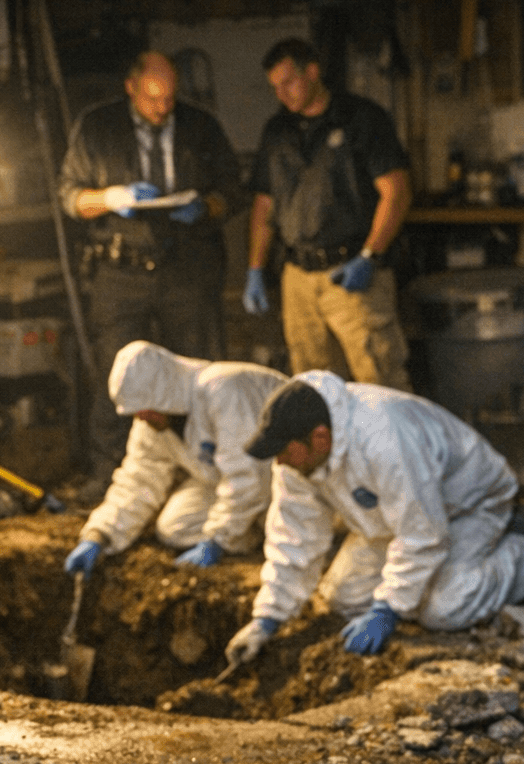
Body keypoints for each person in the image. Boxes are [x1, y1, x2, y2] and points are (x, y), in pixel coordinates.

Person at [222, 373, 524, 668]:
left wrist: (388, 609)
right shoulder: (295, 460)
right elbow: (293, 537)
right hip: (396, 519)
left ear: (319, 438)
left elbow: (424, 535)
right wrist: (265, 620)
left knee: (444, 609)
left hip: (468, 504)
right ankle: (421, 587)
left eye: (284, 451)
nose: (279, 462)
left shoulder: (384, 437)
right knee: (343, 599)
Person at [58, 50, 245, 504]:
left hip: (188, 267)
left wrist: (204, 207)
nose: (162, 108)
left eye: (169, 99)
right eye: (152, 98)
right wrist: (108, 196)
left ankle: (202, 474)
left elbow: (233, 191)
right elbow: (70, 197)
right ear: (131, 87)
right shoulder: (98, 127)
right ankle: (109, 476)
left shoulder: (201, 127)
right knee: (116, 373)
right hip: (121, 270)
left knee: (199, 368)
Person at [240, 38, 413, 391]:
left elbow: (396, 192)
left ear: (313, 72)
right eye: (275, 87)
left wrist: (370, 255)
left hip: (352, 276)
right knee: (314, 392)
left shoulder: (362, 119)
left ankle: (392, 448)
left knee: (380, 384)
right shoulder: (277, 131)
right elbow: (264, 204)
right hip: (298, 279)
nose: (282, 94)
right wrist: (255, 268)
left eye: (289, 82)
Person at [63, 340, 286, 577]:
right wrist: (99, 535)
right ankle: (249, 533)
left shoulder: (224, 389)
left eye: (146, 409)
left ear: (165, 394)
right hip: (230, 482)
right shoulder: (152, 421)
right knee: (176, 527)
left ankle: (259, 532)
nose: (141, 418)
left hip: (283, 481)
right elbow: (139, 481)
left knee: (285, 531)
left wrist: (217, 540)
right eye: (136, 411)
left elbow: (250, 476)